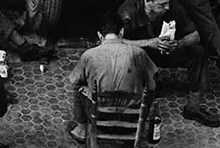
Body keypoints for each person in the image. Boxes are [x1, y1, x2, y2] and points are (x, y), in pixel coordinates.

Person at [120, 0, 220, 127]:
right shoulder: (128, 10)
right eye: (162, 5)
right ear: (148, 1)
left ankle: (193, 108)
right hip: (140, 56)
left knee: (198, 52)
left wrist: (178, 44)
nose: (167, 7)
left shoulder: (171, 5)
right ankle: (137, 99)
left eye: (168, 2)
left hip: (166, 52)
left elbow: (195, 36)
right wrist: (149, 43)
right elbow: (113, 42)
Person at [66, 12, 158, 143]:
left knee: (77, 86)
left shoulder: (89, 55)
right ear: (122, 32)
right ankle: (139, 126)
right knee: (148, 87)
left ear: (99, 35)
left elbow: (75, 81)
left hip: (99, 115)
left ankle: (81, 129)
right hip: (132, 116)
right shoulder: (139, 53)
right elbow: (152, 87)